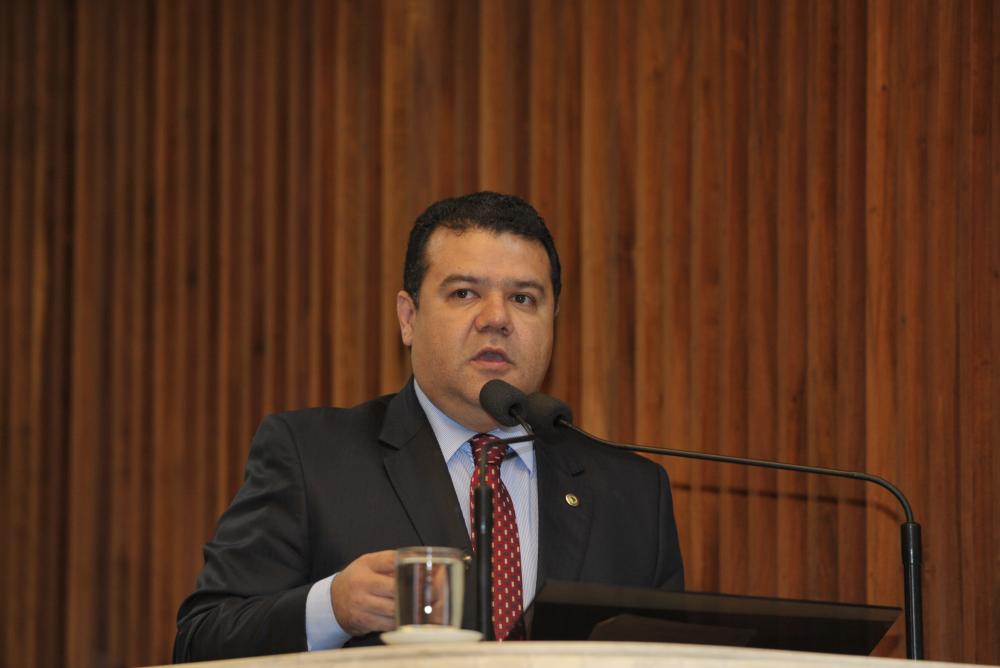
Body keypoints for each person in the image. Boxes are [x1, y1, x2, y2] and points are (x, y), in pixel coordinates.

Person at [173, 192, 684, 662]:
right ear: (408, 317)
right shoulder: (311, 457)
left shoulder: (634, 494)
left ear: (554, 320)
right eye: (464, 293)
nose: (496, 318)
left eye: (524, 298)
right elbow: (201, 641)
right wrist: (334, 608)